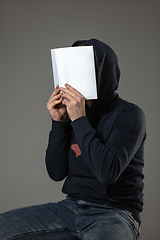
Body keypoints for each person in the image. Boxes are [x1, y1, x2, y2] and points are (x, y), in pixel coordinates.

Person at [0, 39, 146, 240]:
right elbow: (56, 172)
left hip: (115, 213)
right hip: (69, 208)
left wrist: (79, 119)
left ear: (102, 71)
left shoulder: (130, 114)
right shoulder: (71, 112)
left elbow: (107, 173)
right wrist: (59, 122)